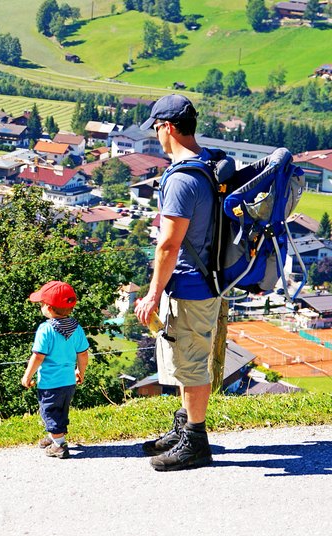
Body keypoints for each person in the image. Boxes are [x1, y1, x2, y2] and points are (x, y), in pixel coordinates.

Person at [134, 94, 222, 471]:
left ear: (168, 127)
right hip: (200, 281)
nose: (156, 136)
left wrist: (152, 294)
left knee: (193, 364)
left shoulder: (183, 179)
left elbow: (169, 245)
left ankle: (196, 441)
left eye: (156, 128)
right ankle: (186, 425)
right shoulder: (208, 162)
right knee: (185, 359)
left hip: (191, 285)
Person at [21, 280, 89, 459]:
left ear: (49, 308)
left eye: (42, 304)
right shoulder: (77, 329)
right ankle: (54, 436)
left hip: (50, 384)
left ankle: (59, 445)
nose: (41, 307)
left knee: (49, 411)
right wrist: (80, 372)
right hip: (68, 383)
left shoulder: (45, 330)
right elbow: (83, 355)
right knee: (61, 411)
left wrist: (27, 376)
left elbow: (38, 356)